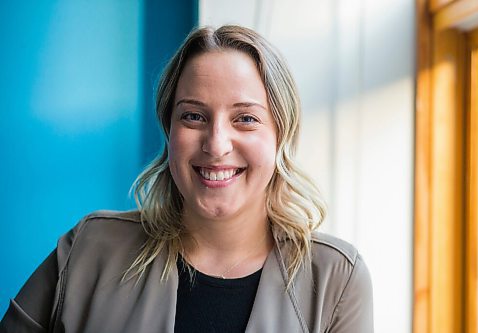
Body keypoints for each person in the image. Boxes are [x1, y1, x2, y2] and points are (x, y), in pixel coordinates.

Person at [0, 25, 373, 333]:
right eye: (194, 116)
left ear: (281, 134)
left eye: (245, 118)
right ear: (169, 131)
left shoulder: (336, 279)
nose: (216, 144)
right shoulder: (89, 247)